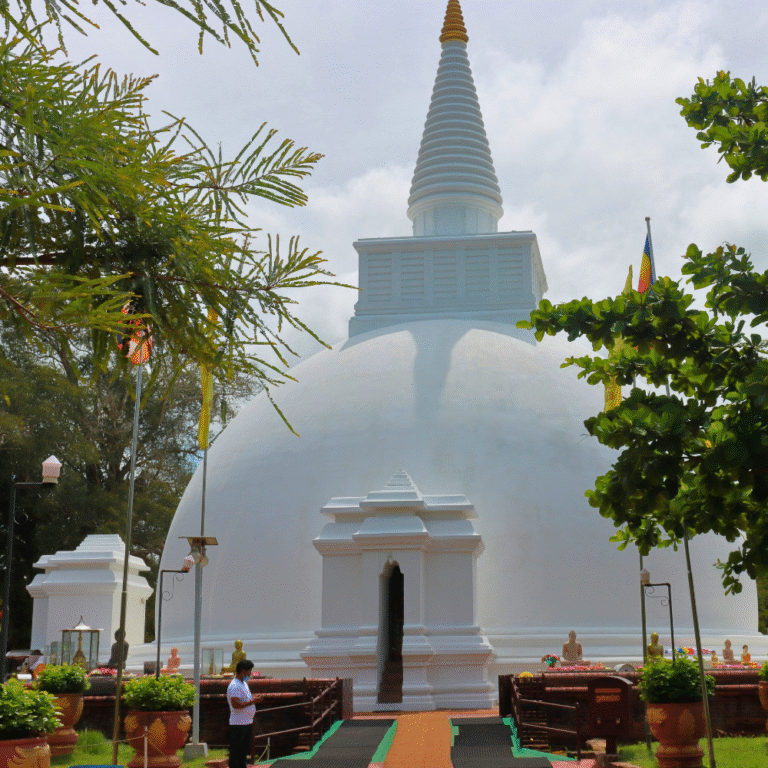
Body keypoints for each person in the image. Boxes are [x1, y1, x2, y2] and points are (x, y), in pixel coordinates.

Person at [227, 659, 264, 768]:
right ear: (242, 671)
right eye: (249, 671)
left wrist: (253, 698)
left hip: (246, 722)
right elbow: (236, 704)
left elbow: (244, 699)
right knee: (236, 751)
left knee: (243, 751)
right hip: (238, 724)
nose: (250, 674)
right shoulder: (235, 685)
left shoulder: (243, 684)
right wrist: (253, 701)